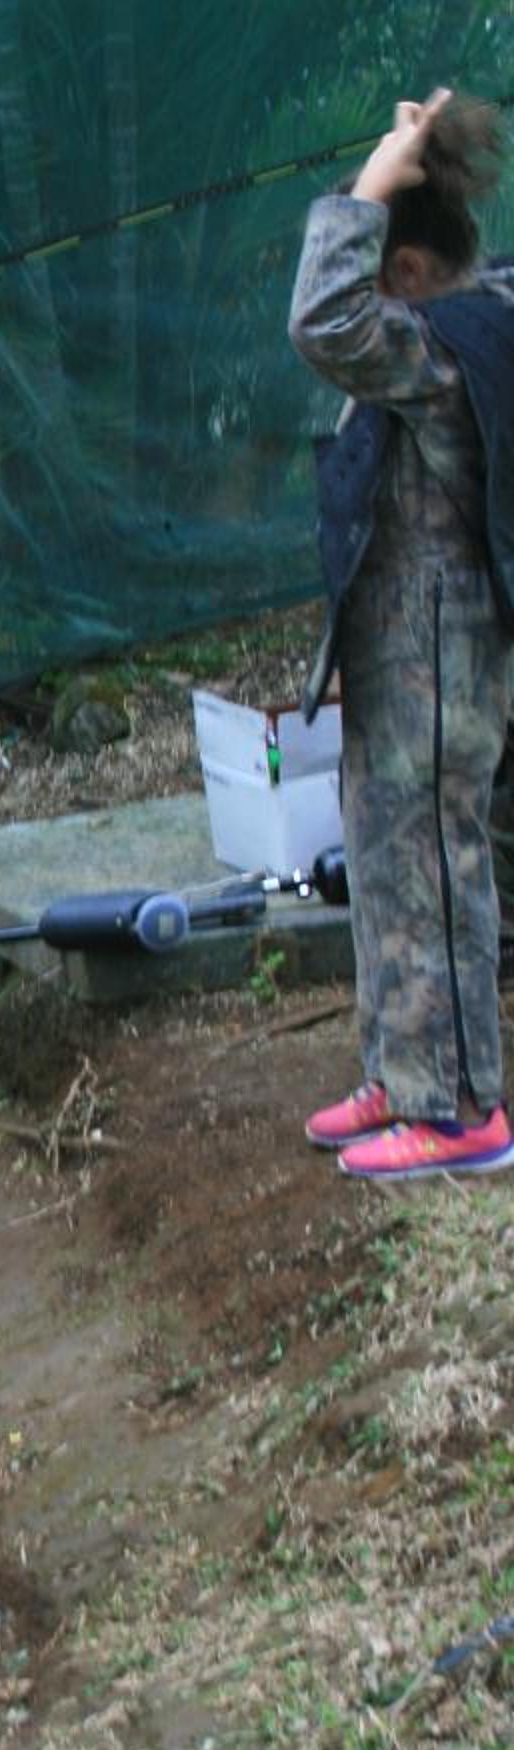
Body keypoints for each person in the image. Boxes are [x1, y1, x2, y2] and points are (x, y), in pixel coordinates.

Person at [289, 90, 514, 1181]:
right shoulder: (446, 327)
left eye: (376, 264)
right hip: (398, 645)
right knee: (386, 859)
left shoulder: (450, 346)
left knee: (432, 862)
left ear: (409, 274)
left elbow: (321, 321)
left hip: (440, 648)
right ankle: (400, 1069)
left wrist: (373, 185)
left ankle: (462, 1106)